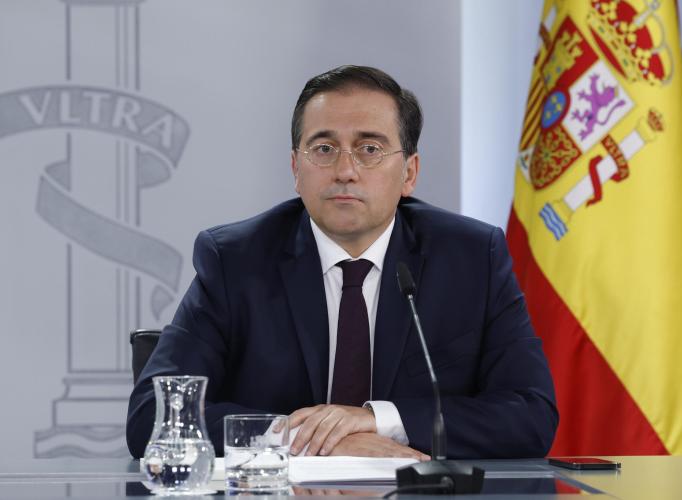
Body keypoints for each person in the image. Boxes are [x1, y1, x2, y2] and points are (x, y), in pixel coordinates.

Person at [126, 65, 558, 460]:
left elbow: (531, 414)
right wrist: (319, 440)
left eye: (369, 149)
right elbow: (153, 415)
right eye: (324, 148)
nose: (345, 170)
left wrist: (378, 422)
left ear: (409, 173)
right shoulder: (237, 260)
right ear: (296, 169)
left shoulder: (471, 258)